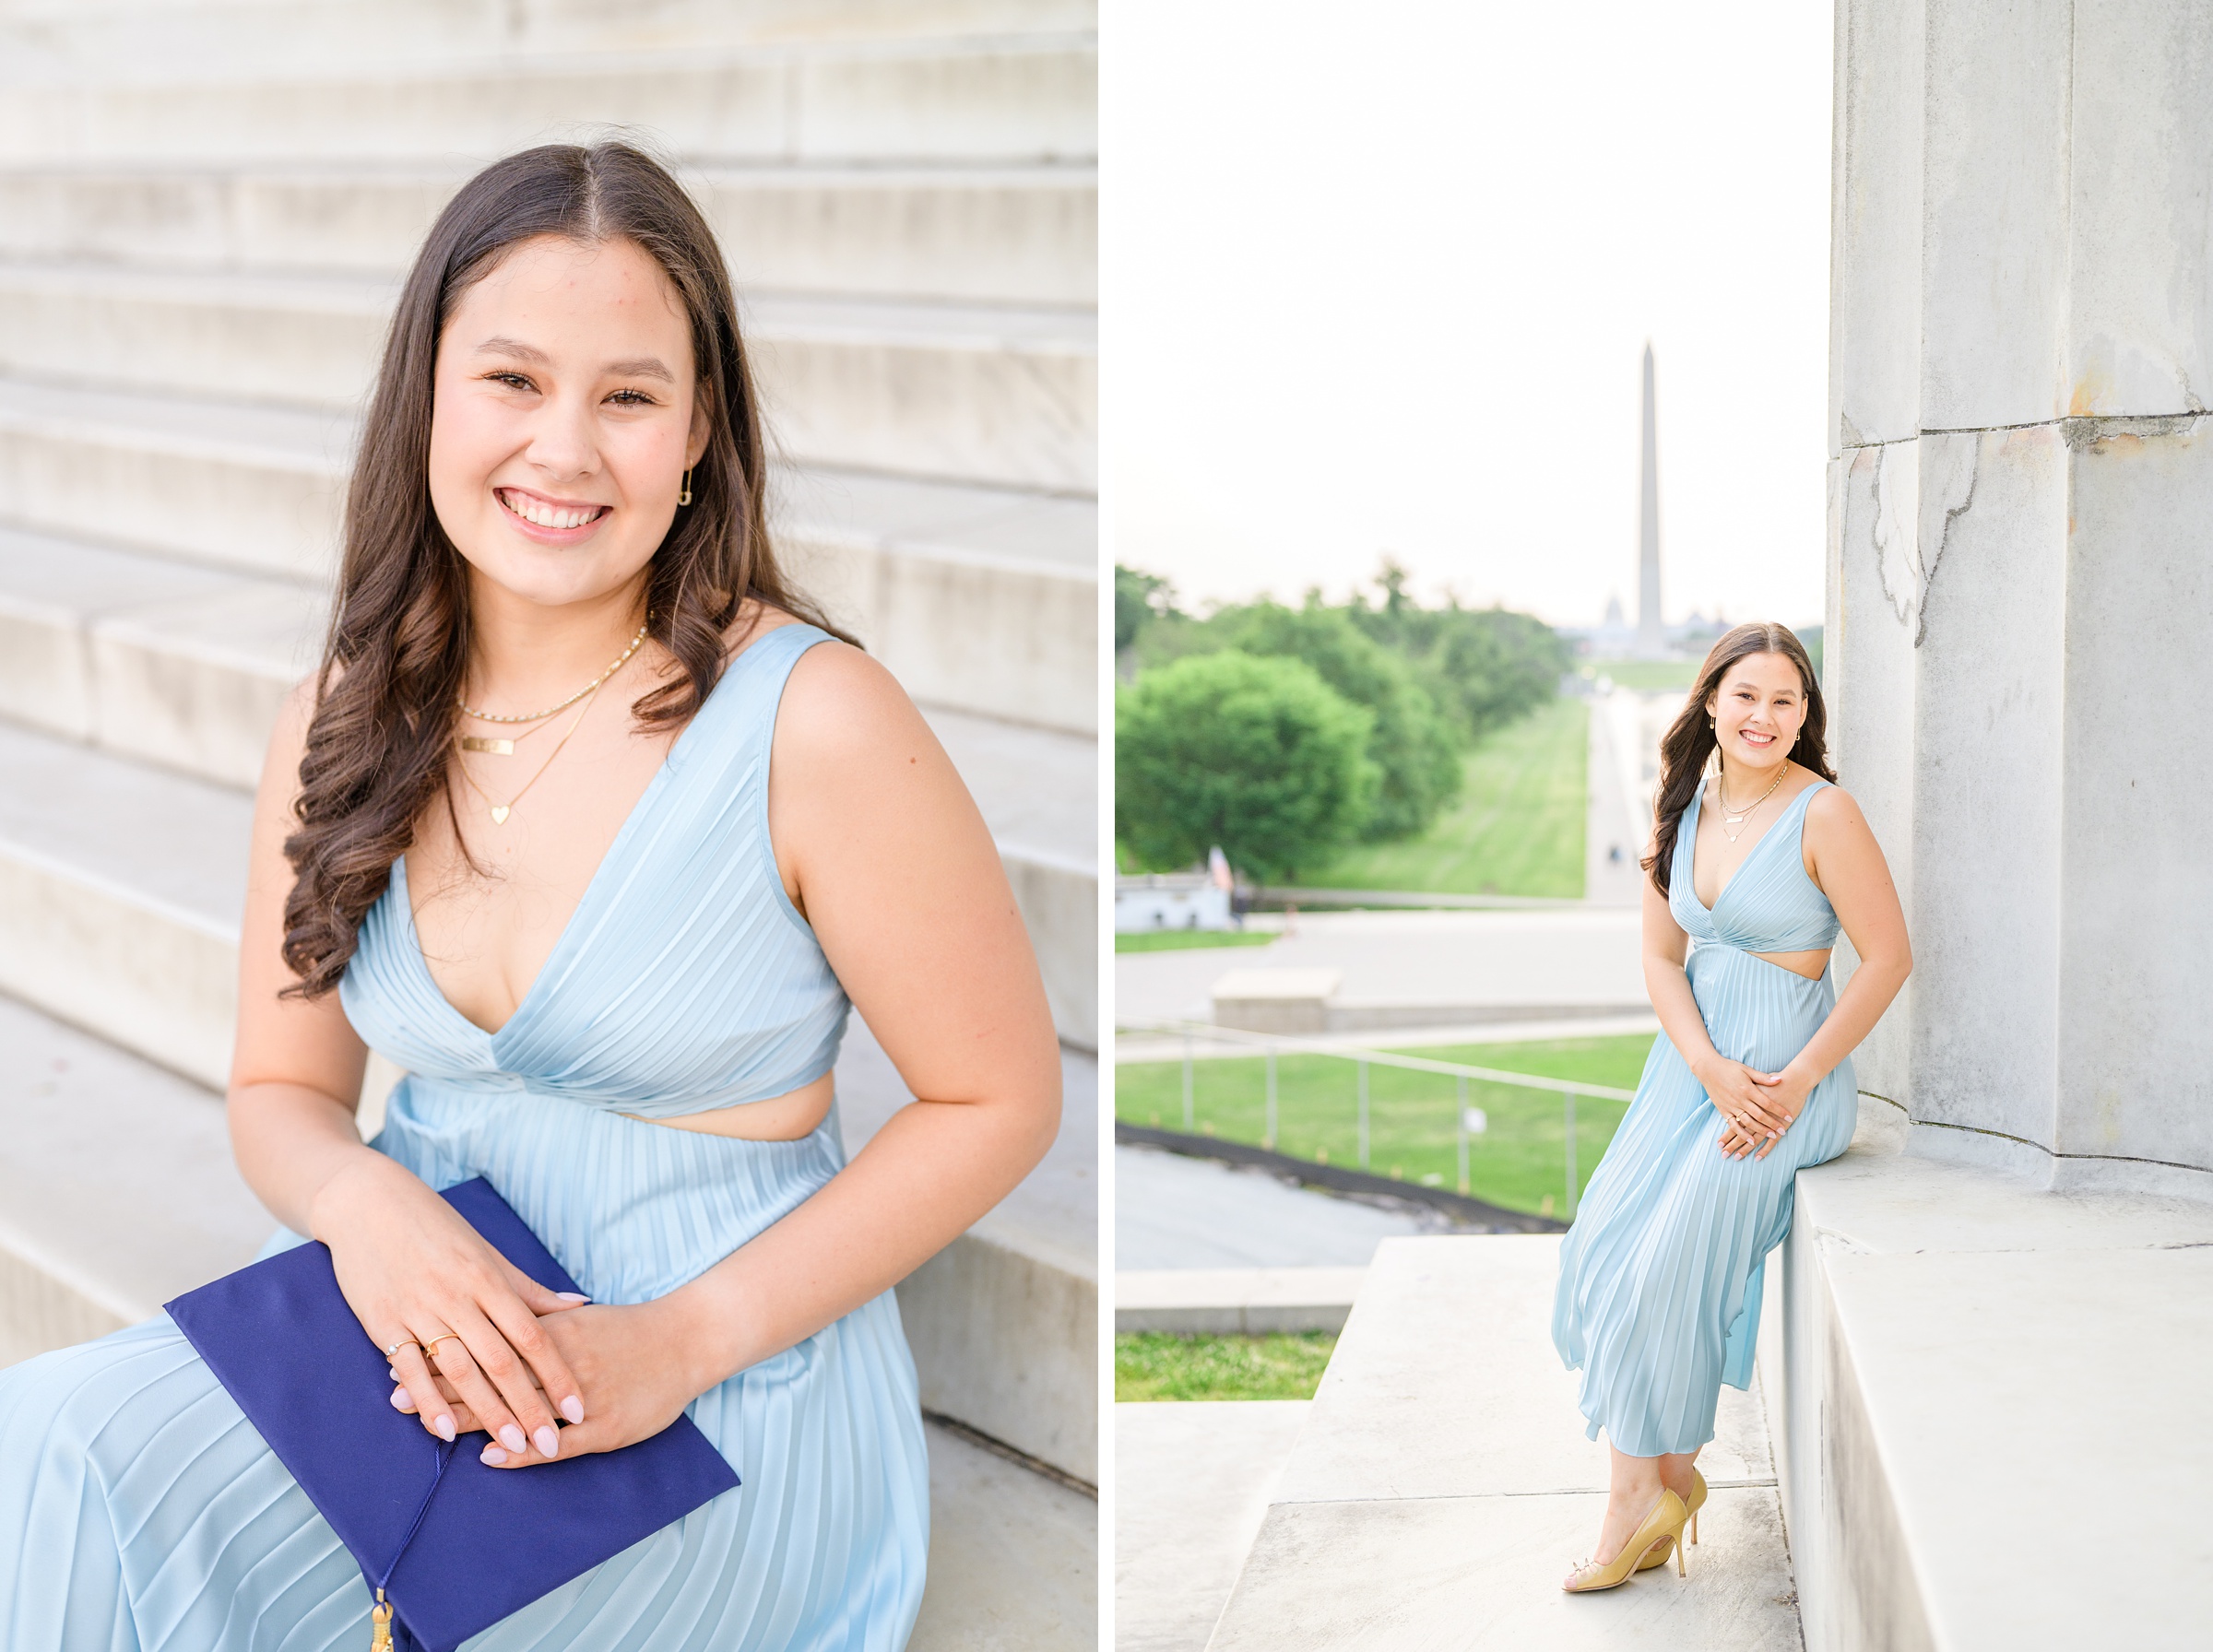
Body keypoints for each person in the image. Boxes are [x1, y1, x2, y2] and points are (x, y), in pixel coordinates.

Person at [0, 142, 1062, 1650]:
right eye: (511, 379)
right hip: (405, 1321)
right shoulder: (342, 714)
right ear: (426, 394)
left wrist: (679, 1340)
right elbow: (277, 1088)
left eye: (628, 396)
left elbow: (997, 1098)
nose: (564, 448)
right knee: (44, 1457)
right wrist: (363, 1204)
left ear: (698, 433)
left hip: (717, 1377)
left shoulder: (814, 720)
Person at [1550, 622, 1909, 1591]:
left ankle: (1633, 1502)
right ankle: (1667, 1485)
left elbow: (1887, 959)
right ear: (1711, 700)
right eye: (1746, 695)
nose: (1764, 716)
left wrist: (1792, 1082)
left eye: (1786, 700)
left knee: (1662, 1267)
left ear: (1806, 715)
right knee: (1604, 1249)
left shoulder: (1825, 813)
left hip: (1791, 1083)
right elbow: (1663, 959)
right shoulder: (1684, 804)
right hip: (1698, 1074)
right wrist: (1706, 1062)